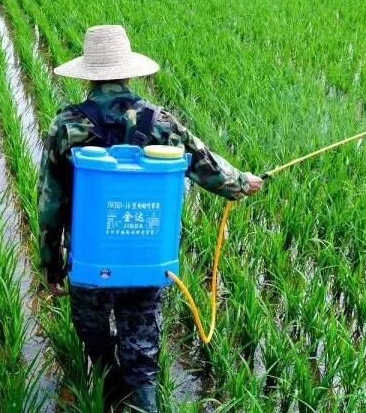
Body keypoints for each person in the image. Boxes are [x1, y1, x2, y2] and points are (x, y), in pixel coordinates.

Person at [38, 25, 263, 412]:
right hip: (145, 259)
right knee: (142, 351)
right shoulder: (160, 122)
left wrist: (52, 264)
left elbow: (50, 204)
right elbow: (205, 164)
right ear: (129, 72)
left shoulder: (67, 126)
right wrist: (242, 182)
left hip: (90, 262)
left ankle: (107, 393)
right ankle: (143, 403)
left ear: (90, 74)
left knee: (94, 338)